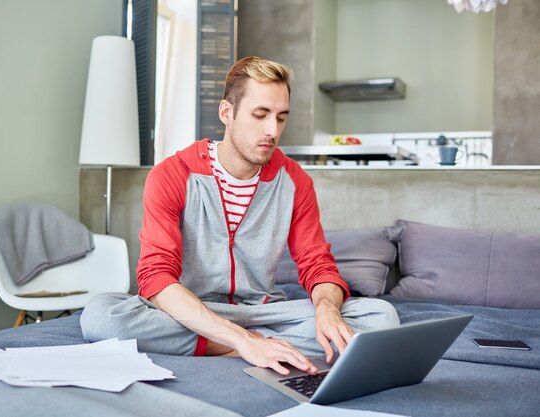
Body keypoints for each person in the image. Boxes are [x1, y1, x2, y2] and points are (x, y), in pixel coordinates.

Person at [80, 56, 399, 376]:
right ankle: (254, 345)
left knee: (381, 316)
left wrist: (327, 310)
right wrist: (242, 340)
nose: (272, 130)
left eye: (281, 117)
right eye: (260, 115)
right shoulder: (172, 175)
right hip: (191, 312)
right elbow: (156, 277)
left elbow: (318, 264)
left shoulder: (294, 182)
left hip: (265, 311)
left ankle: (253, 344)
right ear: (226, 113)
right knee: (100, 316)